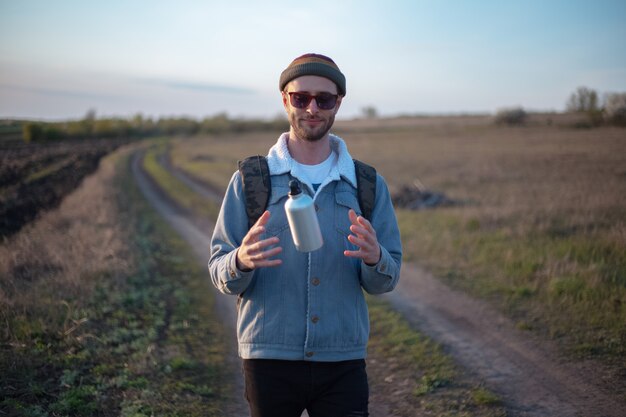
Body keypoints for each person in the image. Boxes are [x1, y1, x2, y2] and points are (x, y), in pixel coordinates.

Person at [208, 53, 402, 417]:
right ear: (285, 100)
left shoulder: (367, 184)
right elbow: (219, 269)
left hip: (342, 361)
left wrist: (377, 258)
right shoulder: (251, 181)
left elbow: (385, 281)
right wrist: (240, 261)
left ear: (338, 104)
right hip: (268, 360)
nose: (312, 108)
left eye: (324, 99)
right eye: (301, 98)